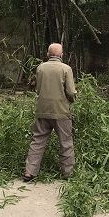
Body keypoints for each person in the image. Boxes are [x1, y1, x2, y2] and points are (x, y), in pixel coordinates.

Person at [23, 43, 77, 182]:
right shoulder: (66, 69)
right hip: (61, 111)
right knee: (65, 142)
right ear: (61, 55)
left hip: (42, 109)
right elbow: (71, 91)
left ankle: (30, 172)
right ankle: (68, 173)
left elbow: (38, 89)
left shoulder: (41, 68)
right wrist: (73, 99)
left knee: (37, 141)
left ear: (48, 54)